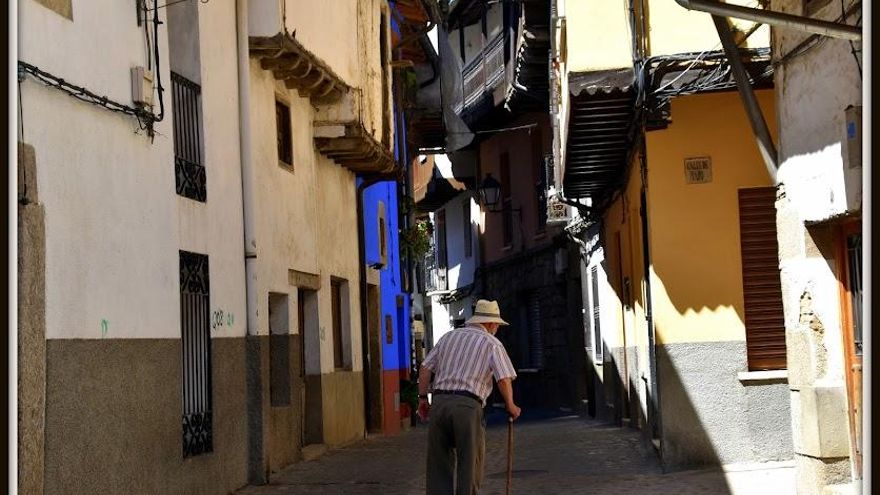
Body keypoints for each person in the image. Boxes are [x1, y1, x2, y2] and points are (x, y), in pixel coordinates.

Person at [417, 299, 521, 495]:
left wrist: (423, 399)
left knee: (438, 463)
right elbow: (503, 379)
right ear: (491, 324)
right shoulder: (491, 343)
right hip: (467, 406)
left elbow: (425, 368)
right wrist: (511, 405)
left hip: (439, 404)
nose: (497, 329)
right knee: (469, 463)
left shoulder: (448, 337)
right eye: (497, 325)